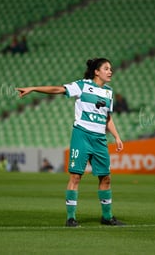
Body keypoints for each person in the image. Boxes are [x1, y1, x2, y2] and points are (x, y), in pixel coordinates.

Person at [16, 57, 125, 227]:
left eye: (110, 68)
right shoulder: (82, 85)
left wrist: (117, 136)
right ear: (97, 72)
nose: (110, 71)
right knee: (75, 176)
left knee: (106, 178)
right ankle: (71, 218)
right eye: (106, 68)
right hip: (81, 135)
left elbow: (107, 117)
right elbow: (58, 89)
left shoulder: (109, 92)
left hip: (100, 139)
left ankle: (107, 217)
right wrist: (34, 88)